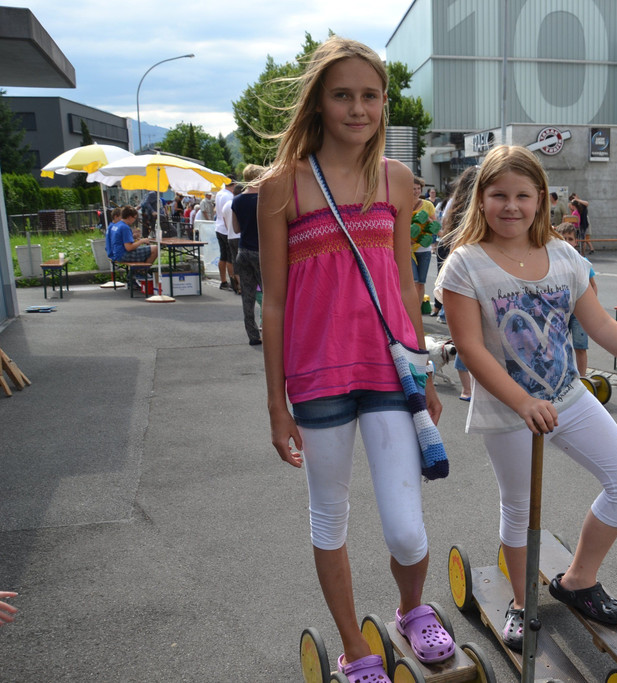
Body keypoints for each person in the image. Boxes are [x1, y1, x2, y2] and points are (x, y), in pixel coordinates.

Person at [436, 145, 617, 652]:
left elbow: (600, 324)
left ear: (541, 199)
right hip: (510, 410)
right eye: (499, 195)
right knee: (520, 507)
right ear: (480, 200)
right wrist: (521, 402)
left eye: (523, 195)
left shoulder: (565, 256)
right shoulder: (465, 264)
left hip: (568, 396)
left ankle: (577, 580)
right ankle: (521, 602)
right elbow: (471, 348)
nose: (511, 206)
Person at [256, 36, 449, 682]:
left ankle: (411, 609)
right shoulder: (282, 187)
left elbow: (405, 284)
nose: (358, 108)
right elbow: (274, 303)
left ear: (384, 102)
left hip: (390, 371)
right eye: (343, 95)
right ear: (318, 101)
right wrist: (276, 404)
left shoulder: (397, 179)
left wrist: (423, 370)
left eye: (370, 95)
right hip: (317, 378)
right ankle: (354, 647)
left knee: (407, 531)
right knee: (329, 518)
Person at [436, 165, 481, 398]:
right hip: (472, 270)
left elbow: (446, 235)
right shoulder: (474, 205)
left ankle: (467, 387)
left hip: (457, 268)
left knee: (465, 335)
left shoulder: (453, 204)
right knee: (472, 336)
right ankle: (469, 387)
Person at [232, 164, 267, 346]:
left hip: (243, 251)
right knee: (269, 295)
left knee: (248, 296)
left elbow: (236, 228)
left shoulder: (237, 200)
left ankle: (253, 335)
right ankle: (270, 331)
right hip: (262, 251)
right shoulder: (265, 199)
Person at [556, 222, 597, 374]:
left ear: (575, 242)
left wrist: (590, 306)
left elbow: (593, 286)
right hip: (561, 310)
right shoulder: (553, 263)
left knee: (580, 347)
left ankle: (583, 378)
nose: (567, 242)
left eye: (570, 239)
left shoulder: (582, 262)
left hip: (579, 312)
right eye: (563, 239)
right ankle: (564, 374)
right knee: (559, 346)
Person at [410, 176, 436, 307]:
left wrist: (428, 220)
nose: (416, 191)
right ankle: (411, 309)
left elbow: (435, 225)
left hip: (424, 248)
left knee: (421, 283)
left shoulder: (428, 205)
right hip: (408, 249)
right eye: (413, 189)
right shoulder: (403, 203)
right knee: (413, 282)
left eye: (418, 188)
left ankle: (418, 310)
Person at [214, 179, 239, 292]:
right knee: (230, 258)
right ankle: (234, 283)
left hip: (218, 227)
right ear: (233, 185)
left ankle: (223, 281)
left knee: (223, 255)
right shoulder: (229, 196)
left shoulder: (219, 193)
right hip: (227, 229)